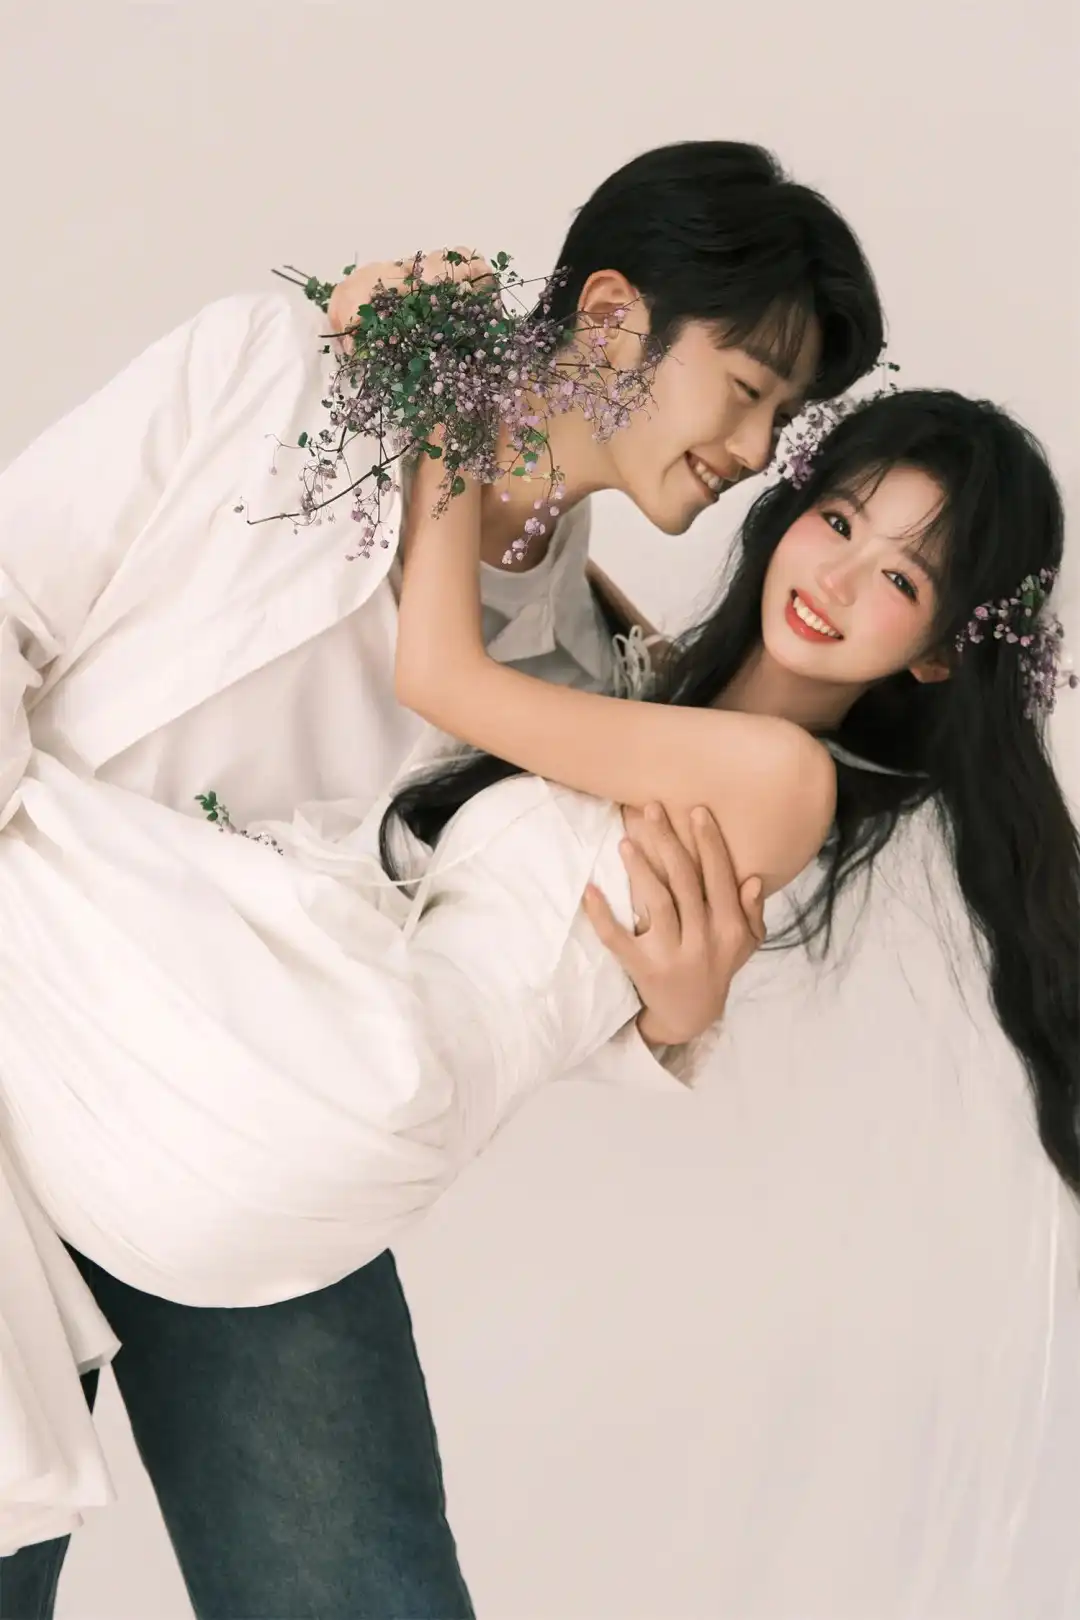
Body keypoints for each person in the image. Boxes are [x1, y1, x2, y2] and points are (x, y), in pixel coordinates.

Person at [4, 377, 1079, 1614]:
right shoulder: (646, 691)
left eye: (898, 577)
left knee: (34, 842)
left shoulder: (783, 778)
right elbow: (536, 570)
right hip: (342, 1065)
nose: (835, 581)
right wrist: (673, 1021)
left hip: (350, 1076)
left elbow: (445, 676)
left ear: (940, 650)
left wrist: (446, 398)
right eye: (838, 520)